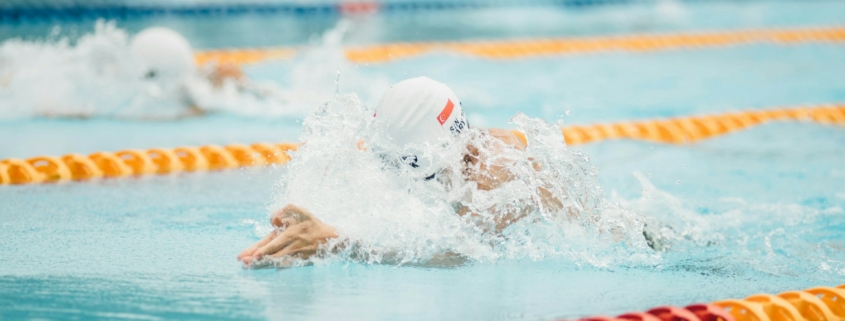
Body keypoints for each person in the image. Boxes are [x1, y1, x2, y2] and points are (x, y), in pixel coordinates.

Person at [237, 76, 572, 268]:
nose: (405, 181)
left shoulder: (498, 170)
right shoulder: (435, 150)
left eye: (418, 173)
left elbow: (453, 256)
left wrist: (338, 242)